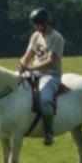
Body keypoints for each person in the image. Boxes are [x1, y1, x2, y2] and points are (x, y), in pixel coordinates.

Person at [18, 8, 65, 146]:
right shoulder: (35, 36)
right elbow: (28, 55)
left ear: (45, 23)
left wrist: (31, 68)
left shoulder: (57, 38)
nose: (35, 27)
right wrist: (21, 66)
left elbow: (50, 60)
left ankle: (49, 133)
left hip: (51, 74)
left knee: (44, 99)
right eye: (34, 24)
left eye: (37, 24)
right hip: (34, 72)